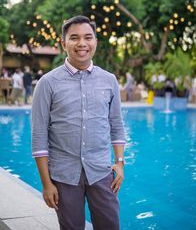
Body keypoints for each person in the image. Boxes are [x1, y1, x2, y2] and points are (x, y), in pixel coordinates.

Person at [32, 15, 126, 230]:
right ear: (64, 43)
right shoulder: (47, 83)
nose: (82, 43)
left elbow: (116, 125)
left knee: (110, 225)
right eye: (74, 38)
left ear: (95, 42)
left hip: (102, 172)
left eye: (88, 37)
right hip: (64, 176)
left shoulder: (109, 80)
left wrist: (120, 163)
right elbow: (39, 137)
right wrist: (47, 184)